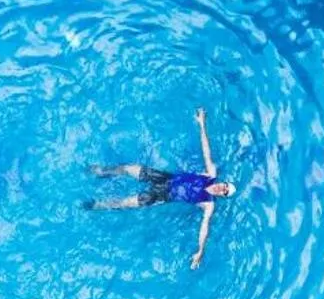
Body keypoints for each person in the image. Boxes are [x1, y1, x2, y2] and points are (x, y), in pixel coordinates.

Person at [86, 107, 235, 269]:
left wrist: (200, 251)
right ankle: (98, 171)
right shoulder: (211, 173)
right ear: (223, 182)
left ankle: (95, 205)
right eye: (225, 185)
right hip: (164, 177)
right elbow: (206, 151)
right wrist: (202, 124)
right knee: (128, 169)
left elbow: (204, 227)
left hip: (161, 196)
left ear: (222, 196)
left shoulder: (209, 204)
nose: (222, 188)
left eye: (225, 192)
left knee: (125, 203)